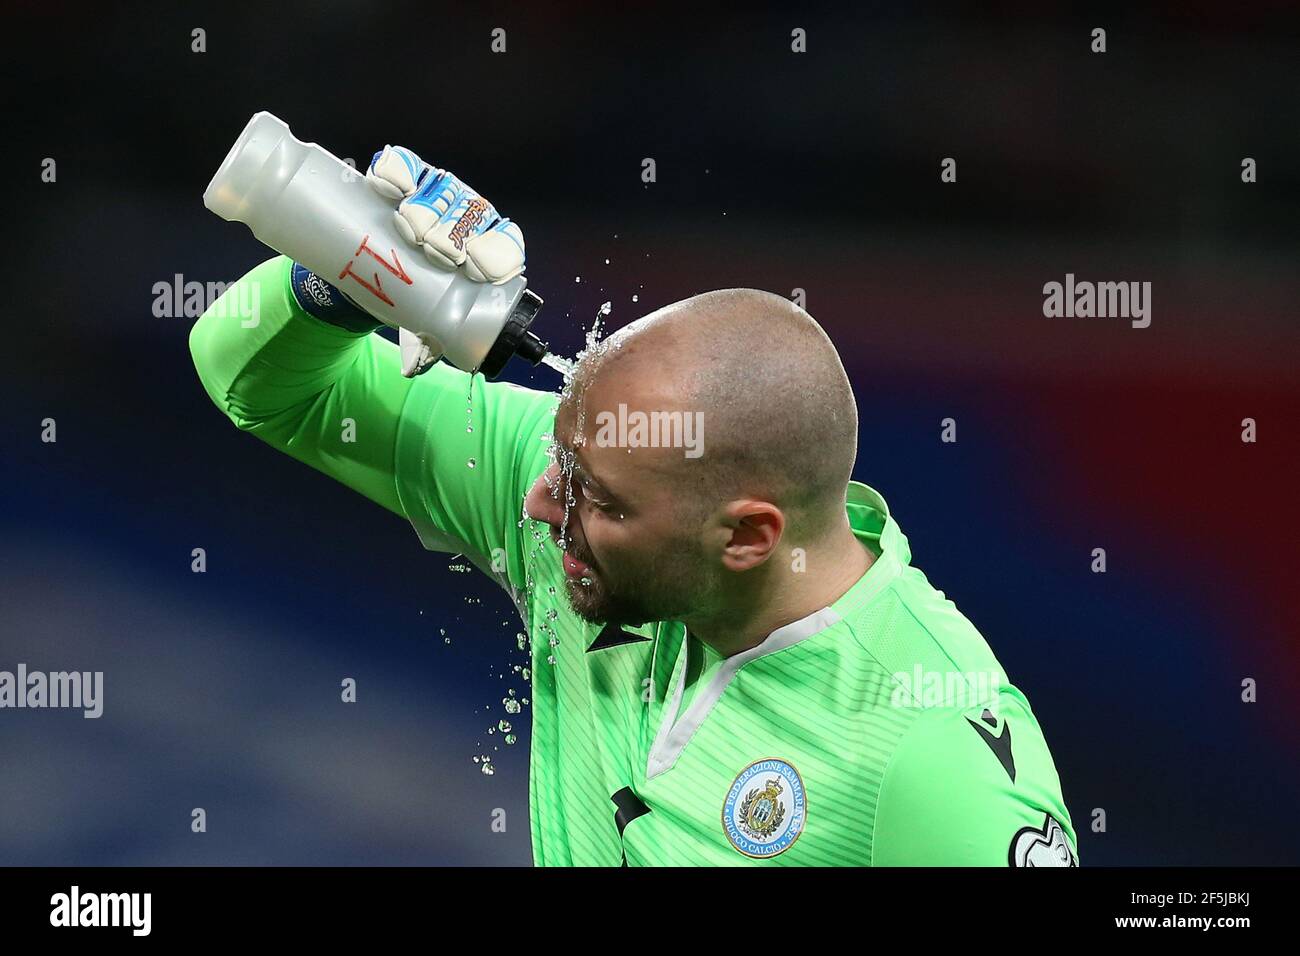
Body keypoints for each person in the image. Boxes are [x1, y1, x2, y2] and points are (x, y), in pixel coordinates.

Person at [190, 144, 1078, 866]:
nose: (538, 504)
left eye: (597, 501)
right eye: (562, 468)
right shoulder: (588, 497)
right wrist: (346, 280)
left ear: (746, 536)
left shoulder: (932, 751)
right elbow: (260, 386)